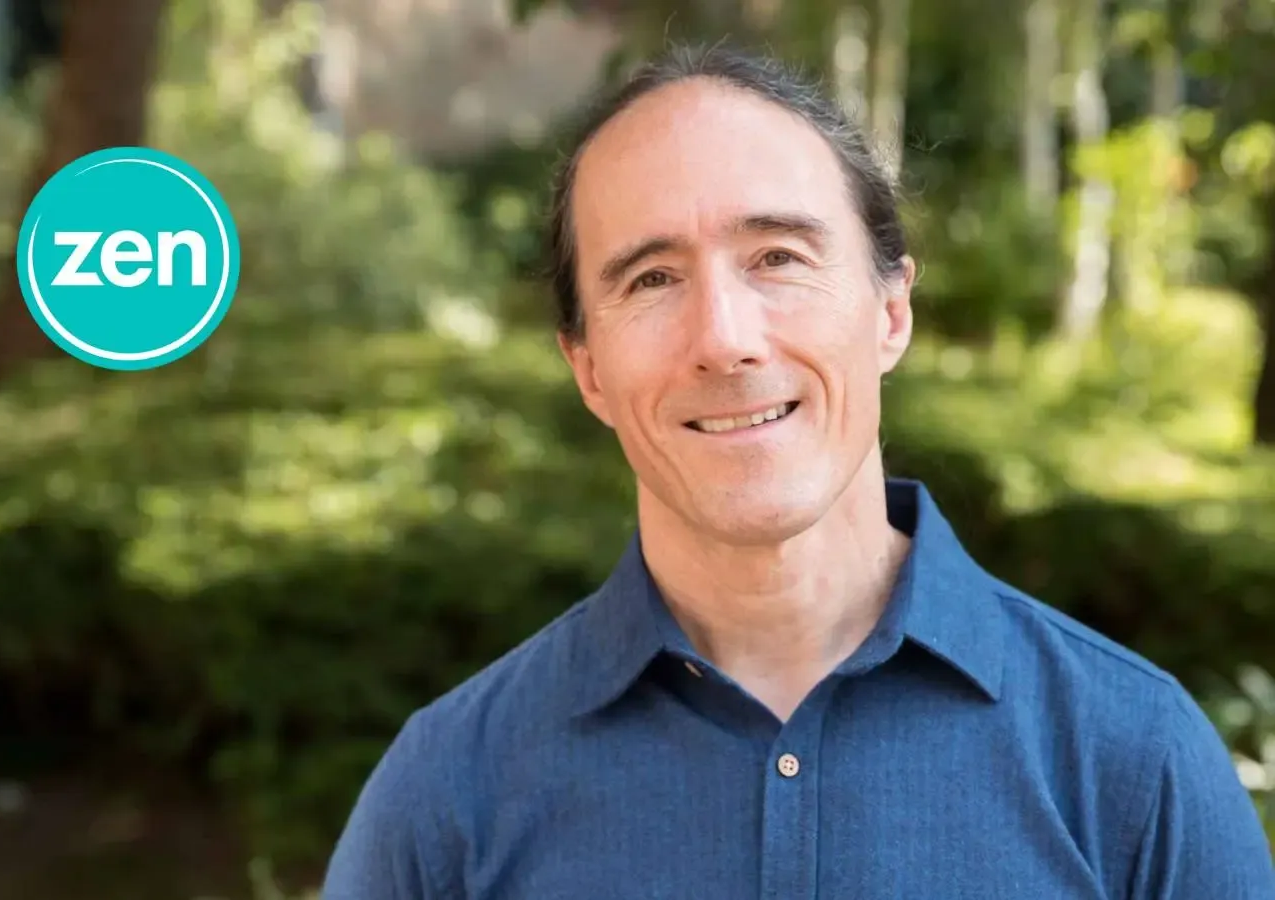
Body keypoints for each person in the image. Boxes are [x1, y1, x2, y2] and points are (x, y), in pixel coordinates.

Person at [322, 43, 1275, 899]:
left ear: (891, 313)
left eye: (777, 257)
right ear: (589, 370)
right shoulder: (444, 796)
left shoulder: (1135, 758)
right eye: (651, 279)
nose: (724, 338)